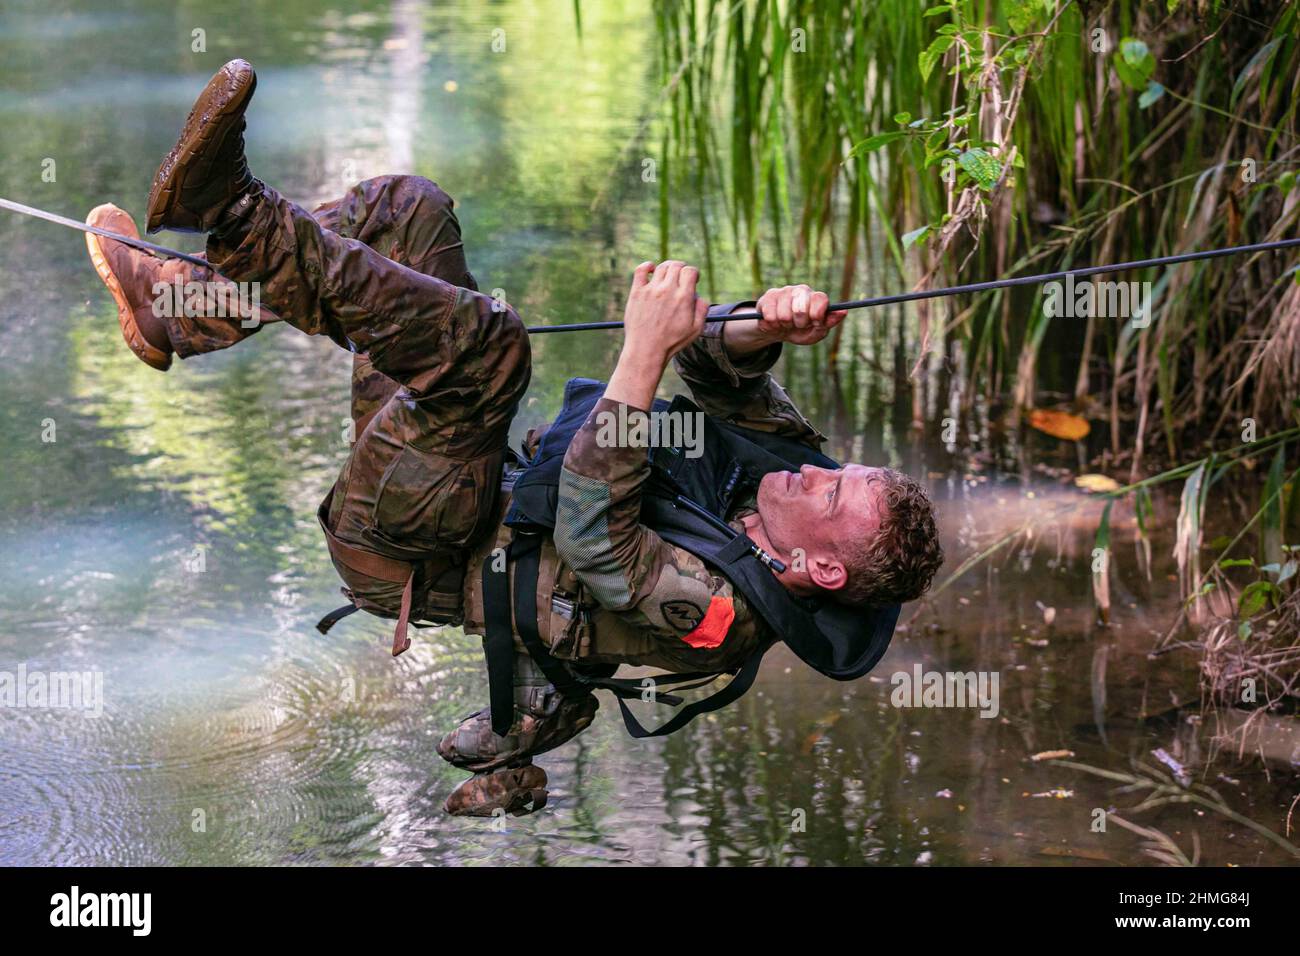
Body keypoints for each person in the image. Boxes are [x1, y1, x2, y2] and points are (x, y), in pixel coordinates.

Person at [86, 60, 943, 817]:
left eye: (830, 492)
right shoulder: (787, 488)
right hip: (450, 481)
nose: (811, 473)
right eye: (836, 471)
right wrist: (771, 324)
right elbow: (727, 373)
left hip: (411, 545)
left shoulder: (714, 616)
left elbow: (589, 532)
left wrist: (643, 352)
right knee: (406, 212)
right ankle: (185, 308)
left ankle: (230, 209)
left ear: (821, 569)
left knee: (490, 350)